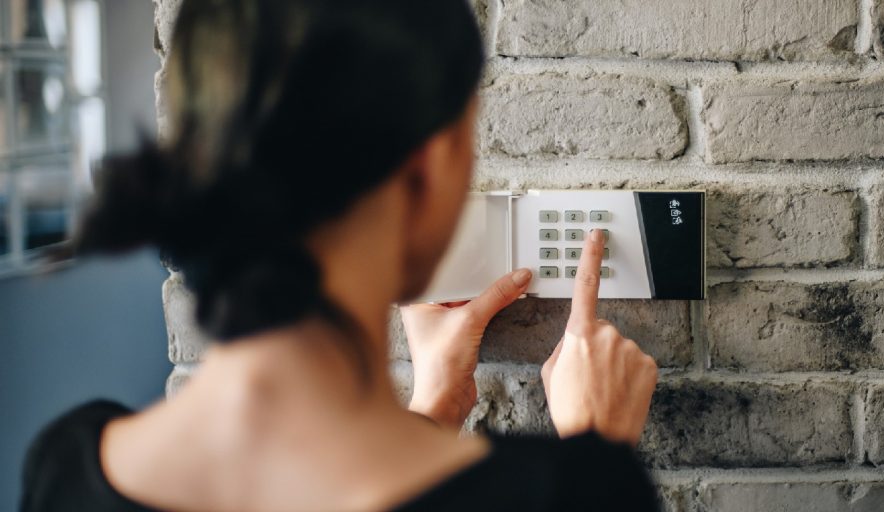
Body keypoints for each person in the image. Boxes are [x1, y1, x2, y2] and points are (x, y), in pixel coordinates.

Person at [20, 0, 661, 510]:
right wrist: (597, 457)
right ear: (429, 173)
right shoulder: (565, 491)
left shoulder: (67, 468)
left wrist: (436, 408)